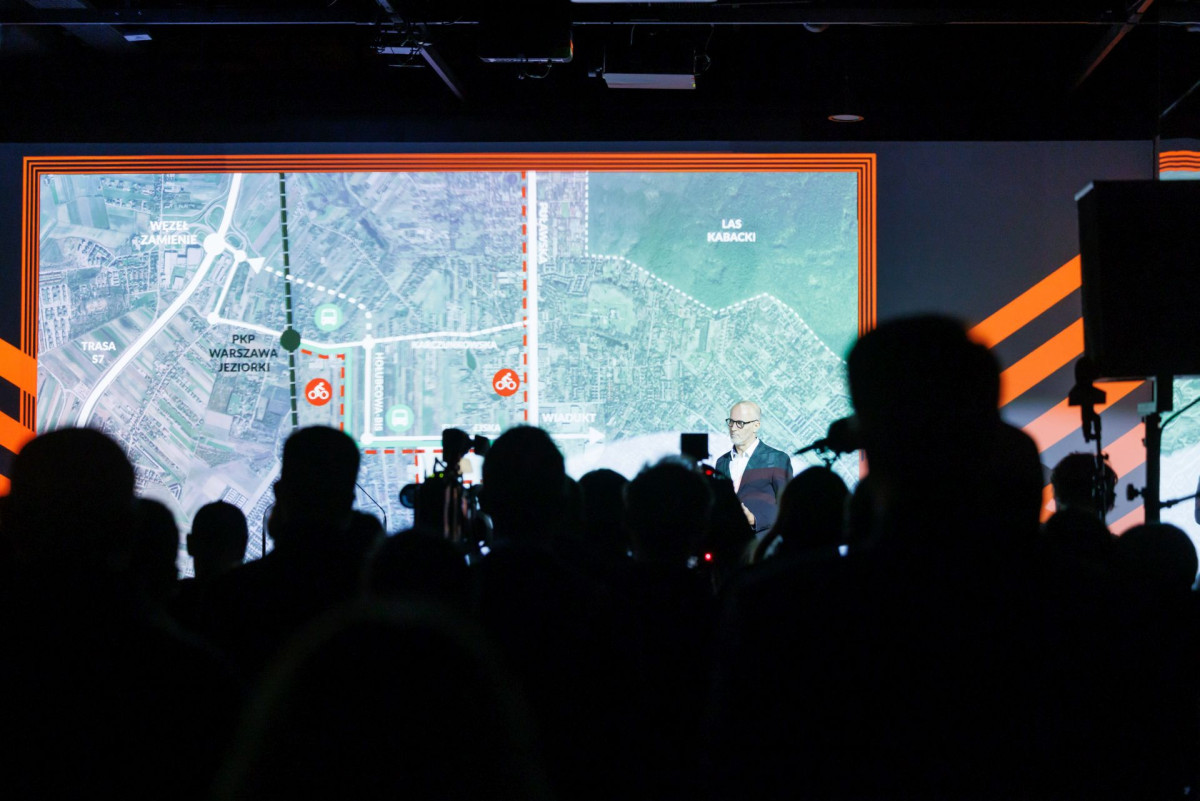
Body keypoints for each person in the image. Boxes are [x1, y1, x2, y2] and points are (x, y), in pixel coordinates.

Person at [713, 400, 792, 536]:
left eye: (740, 423)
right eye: (731, 422)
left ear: (756, 425)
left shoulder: (777, 459)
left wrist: (755, 519)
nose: (733, 428)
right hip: (728, 540)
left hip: (761, 541)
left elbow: (789, 507)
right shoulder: (722, 462)